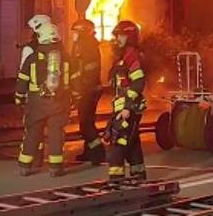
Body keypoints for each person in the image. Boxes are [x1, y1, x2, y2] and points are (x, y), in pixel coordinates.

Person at [15, 15, 70, 177]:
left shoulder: (32, 58)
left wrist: (18, 98)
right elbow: (74, 79)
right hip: (59, 101)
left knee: (33, 132)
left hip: (36, 102)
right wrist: (75, 96)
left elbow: (22, 79)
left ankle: (25, 166)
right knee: (56, 133)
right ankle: (55, 167)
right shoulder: (66, 57)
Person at [106, 20, 147, 185]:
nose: (117, 39)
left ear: (129, 36)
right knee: (132, 142)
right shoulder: (124, 56)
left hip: (128, 108)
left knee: (117, 141)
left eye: (121, 36)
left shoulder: (132, 56)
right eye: (117, 36)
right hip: (124, 107)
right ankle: (139, 175)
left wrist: (128, 107)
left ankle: (116, 179)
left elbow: (138, 82)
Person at [69, 18, 104, 165]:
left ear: (82, 32)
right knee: (86, 122)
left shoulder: (87, 46)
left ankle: (98, 152)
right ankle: (89, 152)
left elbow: (88, 71)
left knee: (86, 124)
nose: (73, 35)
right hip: (86, 89)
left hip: (89, 90)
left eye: (76, 32)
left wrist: (81, 88)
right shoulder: (82, 45)